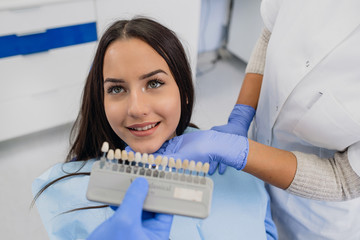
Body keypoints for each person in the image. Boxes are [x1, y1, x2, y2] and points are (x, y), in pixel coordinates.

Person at [32, 17, 278, 240]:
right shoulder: (66, 192)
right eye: (116, 89)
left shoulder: (239, 168)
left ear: (184, 93)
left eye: (154, 83)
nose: (136, 109)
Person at [158, 0, 360, 239]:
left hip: (313, 216)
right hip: (251, 175)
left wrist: (242, 152)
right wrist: (241, 116)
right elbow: (268, 34)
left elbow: (346, 179)